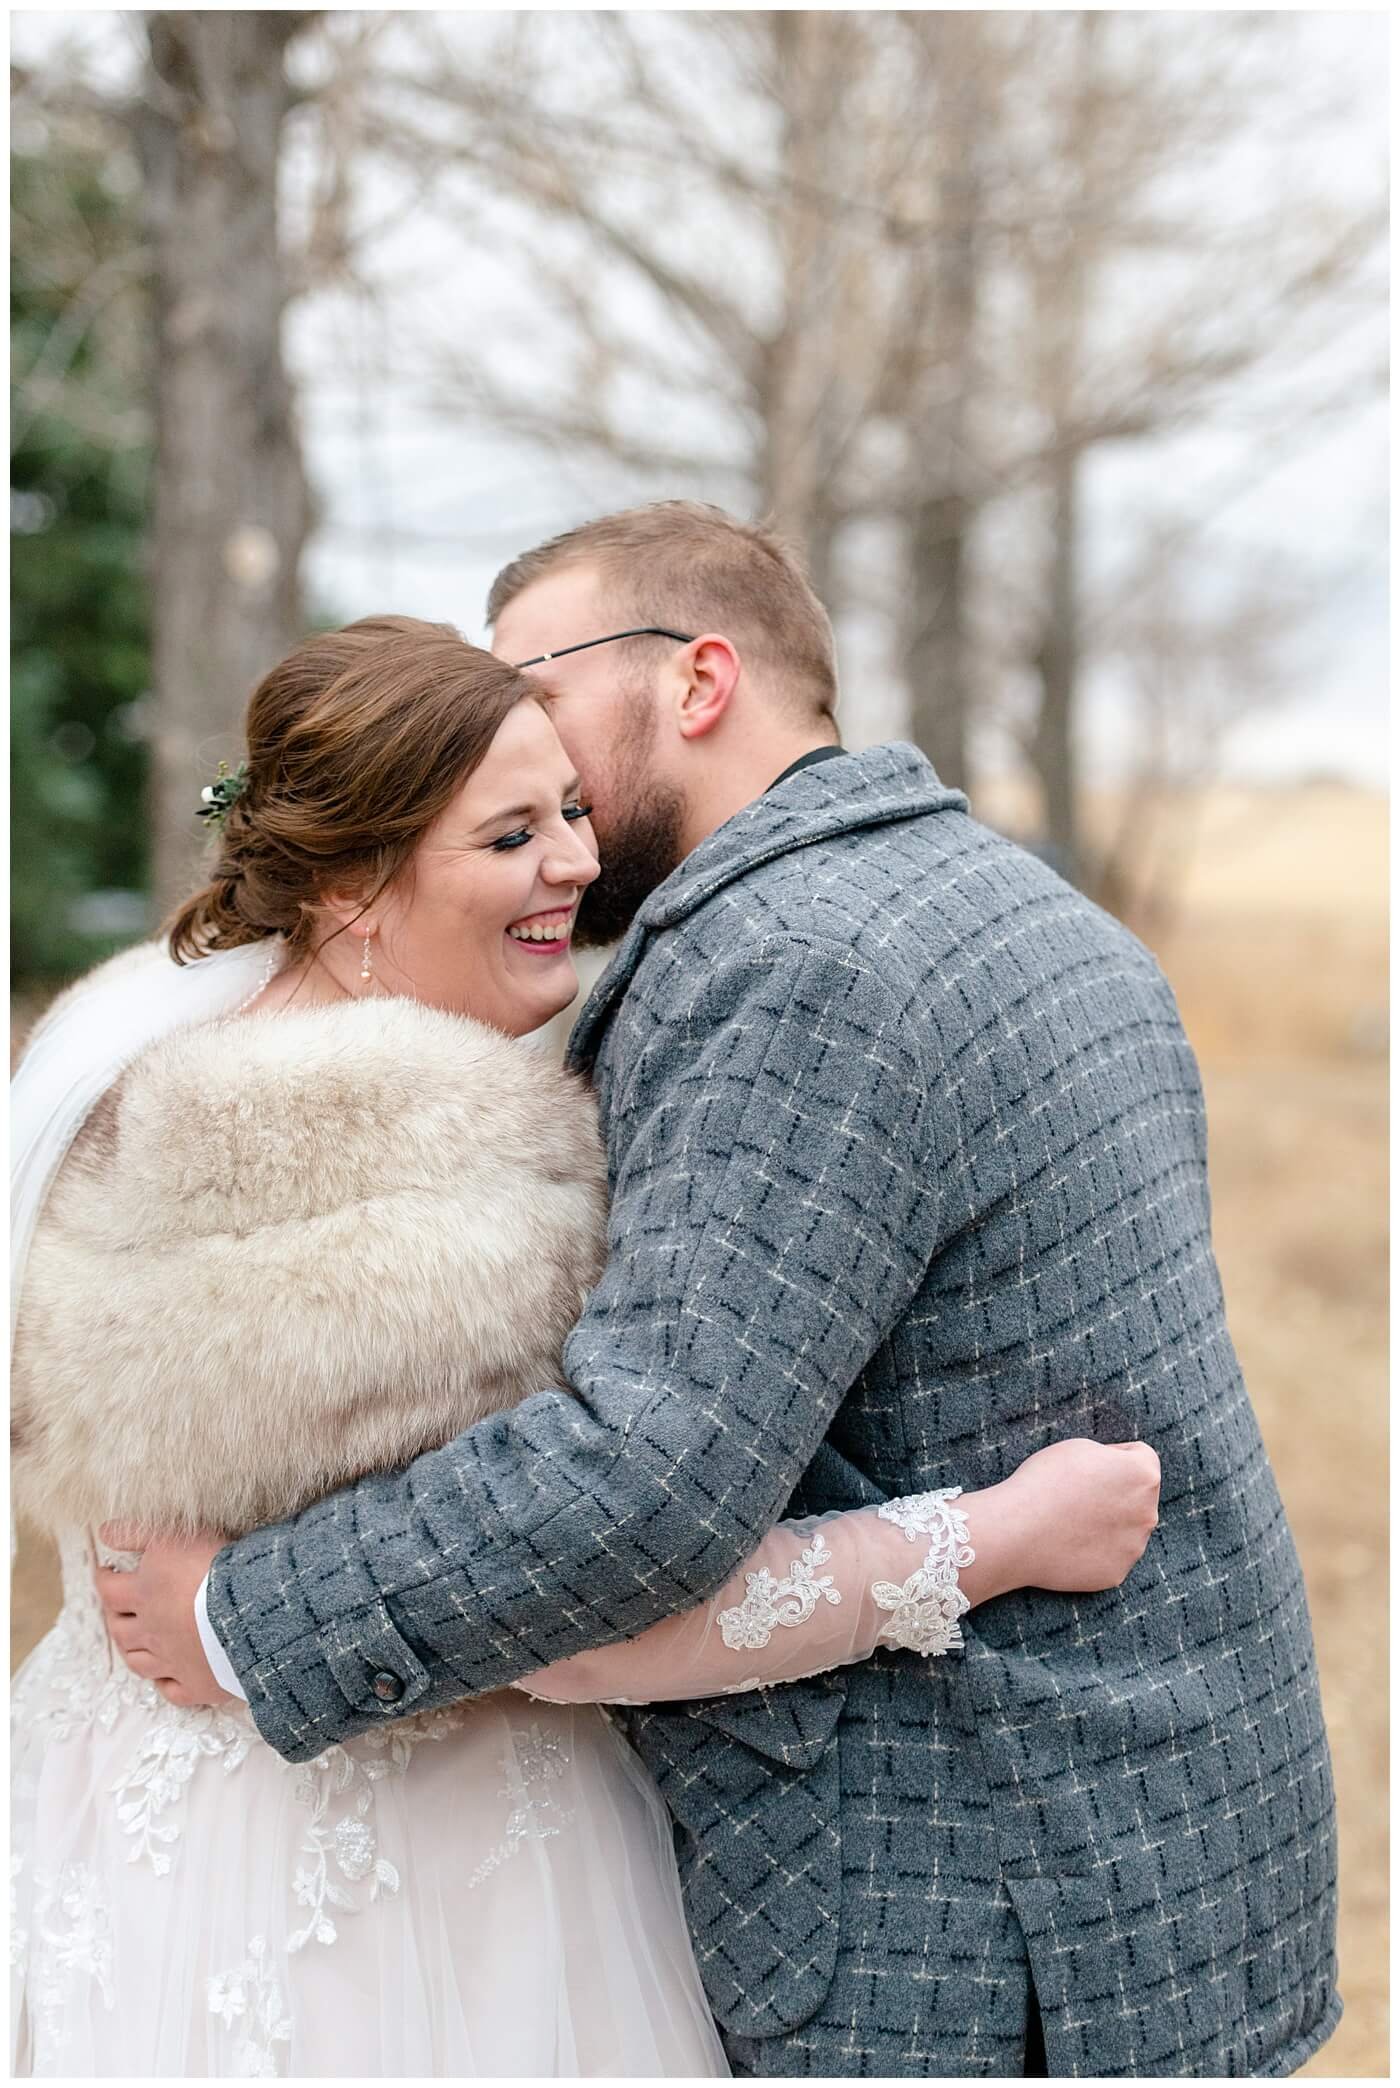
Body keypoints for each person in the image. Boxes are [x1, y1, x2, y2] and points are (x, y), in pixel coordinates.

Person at [92, 503, 1340, 2078]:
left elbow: (643, 1480)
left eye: (535, 687)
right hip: (1176, 1866)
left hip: (967, 1920)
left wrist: (247, 1618)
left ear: (696, 681)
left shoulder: (792, 962)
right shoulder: (1031, 908)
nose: (516, 739)